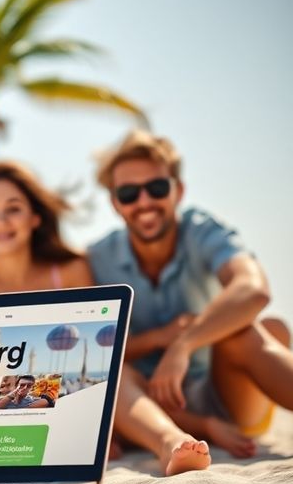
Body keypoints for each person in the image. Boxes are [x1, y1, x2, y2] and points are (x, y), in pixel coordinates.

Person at [0, 160, 211, 476]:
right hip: (5, 414)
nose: (1, 220)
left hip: (73, 401)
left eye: (13, 208)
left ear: (35, 217)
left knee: (117, 371)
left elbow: (102, 348)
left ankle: (170, 442)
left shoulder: (71, 271)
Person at [88, 130, 293, 458]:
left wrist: (183, 345)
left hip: (220, 392)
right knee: (116, 373)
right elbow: (92, 352)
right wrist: (159, 339)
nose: (144, 202)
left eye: (157, 187)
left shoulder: (202, 230)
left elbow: (254, 289)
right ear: (115, 203)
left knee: (248, 332)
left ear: (178, 190)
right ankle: (177, 441)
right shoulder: (97, 258)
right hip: (144, 406)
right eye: (128, 193)